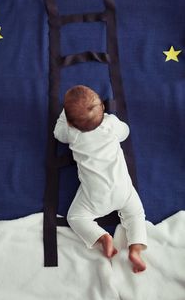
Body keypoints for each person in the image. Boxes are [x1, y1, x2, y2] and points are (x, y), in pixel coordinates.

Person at [54, 85, 147, 273]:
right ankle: (136, 249)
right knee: (136, 215)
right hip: (123, 190)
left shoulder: (72, 133)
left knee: (76, 217)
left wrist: (64, 115)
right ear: (102, 109)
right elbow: (125, 131)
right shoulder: (110, 124)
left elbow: (58, 133)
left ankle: (102, 237)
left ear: (71, 123)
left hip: (96, 197)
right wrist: (113, 122)